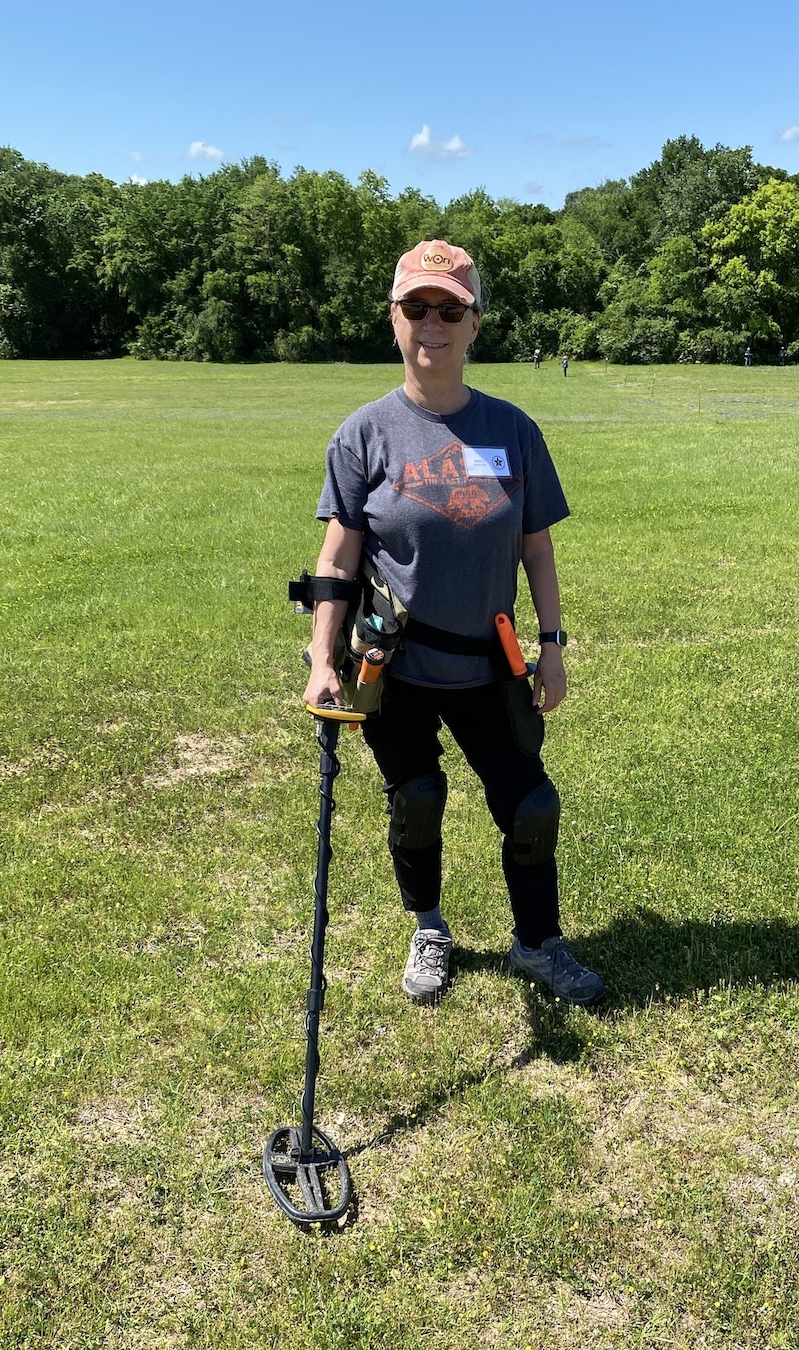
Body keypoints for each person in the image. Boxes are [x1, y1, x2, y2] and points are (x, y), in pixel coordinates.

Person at [302, 240, 603, 1009]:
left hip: (489, 664)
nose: (431, 323)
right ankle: (429, 928)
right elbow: (338, 555)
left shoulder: (513, 429)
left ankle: (538, 944)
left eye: (449, 308)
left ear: (474, 324)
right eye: (416, 307)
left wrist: (553, 645)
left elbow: (536, 546)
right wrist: (320, 659)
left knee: (531, 805)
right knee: (418, 799)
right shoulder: (363, 434)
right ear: (394, 319)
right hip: (394, 667)